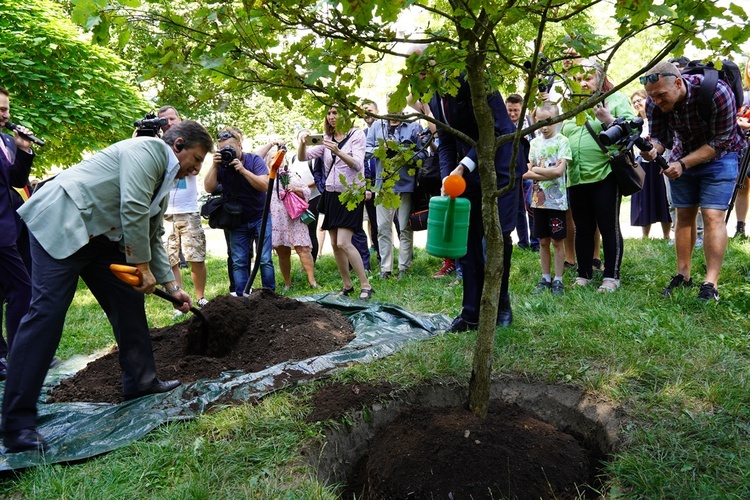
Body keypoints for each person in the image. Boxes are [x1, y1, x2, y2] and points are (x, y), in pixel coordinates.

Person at [1, 120, 213, 453]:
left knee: (127, 300)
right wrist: (140, 267)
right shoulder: (151, 150)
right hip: (63, 220)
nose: (197, 169)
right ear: (179, 144)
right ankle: (17, 425)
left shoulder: (165, 177)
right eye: (197, 159)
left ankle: (142, 381)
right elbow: (132, 207)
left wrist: (172, 288)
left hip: (99, 236)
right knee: (46, 315)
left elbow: (152, 230)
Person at [428, 72, 525, 331]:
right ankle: (471, 313)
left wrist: (462, 166)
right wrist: (450, 173)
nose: (422, 75)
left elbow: (493, 128)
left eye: (427, 68)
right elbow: (446, 139)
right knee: (467, 242)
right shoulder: (435, 96)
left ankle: (501, 304)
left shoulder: (476, 80)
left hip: (500, 167)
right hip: (466, 174)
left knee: (497, 237)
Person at [641, 61, 745, 300]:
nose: (656, 101)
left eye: (661, 95)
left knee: (712, 215)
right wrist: (652, 150)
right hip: (682, 153)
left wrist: (683, 164)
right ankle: (683, 275)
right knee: (684, 214)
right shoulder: (654, 99)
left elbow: (721, 142)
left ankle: (710, 284)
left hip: (721, 157)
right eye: (652, 96)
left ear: (678, 83)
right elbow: (659, 137)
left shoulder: (718, 92)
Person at [560, 60, 635, 293]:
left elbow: (633, 129)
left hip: (606, 173)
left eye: (588, 77)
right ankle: (584, 274)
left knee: (607, 226)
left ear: (601, 78)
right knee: (582, 227)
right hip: (576, 175)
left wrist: (607, 119)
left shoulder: (616, 99)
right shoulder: (570, 107)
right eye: (578, 78)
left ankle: (611, 276)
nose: (582, 82)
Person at [298, 105, 373, 300]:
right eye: (329, 113)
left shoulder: (357, 135)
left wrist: (338, 152)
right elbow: (302, 156)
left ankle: (366, 285)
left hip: (350, 193)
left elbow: (357, 164)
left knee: (343, 242)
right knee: (333, 243)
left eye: (335, 112)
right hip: (330, 194)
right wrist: (302, 141)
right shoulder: (325, 138)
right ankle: (347, 286)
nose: (332, 116)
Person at [204, 127, 276, 295]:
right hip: (236, 221)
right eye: (222, 149)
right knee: (239, 262)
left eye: (229, 148)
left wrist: (243, 171)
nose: (226, 152)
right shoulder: (220, 165)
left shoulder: (254, 160)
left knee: (265, 260)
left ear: (240, 145)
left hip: (260, 217)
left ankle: (270, 297)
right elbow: (209, 188)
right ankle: (242, 297)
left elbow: (264, 186)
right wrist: (214, 166)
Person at [366, 101, 426, 279]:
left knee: (405, 227)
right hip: (383, 186)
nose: (394, 107)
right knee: (383, 227)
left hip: (406, 185)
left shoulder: (414, 126)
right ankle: (386, 268)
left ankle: (403, 267)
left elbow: (423, 153)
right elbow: (367, 150)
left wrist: (408, 156)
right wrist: (380, 150)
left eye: (397, 103)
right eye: (391, 104)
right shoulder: (377, 125)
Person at [158, 107, 209, 314]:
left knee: (195, 255)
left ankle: (200, 297)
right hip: (165, 211)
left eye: (172, 118)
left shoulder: (190, 143)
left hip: (188, 210)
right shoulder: (158, 146)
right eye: (164, 120)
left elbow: (194, 169)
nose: (169, 122)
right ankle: (178, 299)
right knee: (171, 259)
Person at [0, 87, 35, 381]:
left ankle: (7, 356)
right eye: (0, 110)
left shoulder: (5, 141)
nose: (6, 116)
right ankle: (19, 355)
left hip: (12, 223)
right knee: (22, 289)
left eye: (7, 109)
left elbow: (16, 180)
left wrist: (23, 149)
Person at [523, 102, 572, 295]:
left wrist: (536, 170)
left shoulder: (562, 141)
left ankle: (558, 279)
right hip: (538, 200)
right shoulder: (534, 143)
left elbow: (559, 172)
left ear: (557, 120)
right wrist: (547, 172)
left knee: (557, 241)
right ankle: (545, 277)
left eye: (549, 121)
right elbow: (526, 173)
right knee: (543, 241)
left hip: (557, 202)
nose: (544, 126)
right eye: (541, 121)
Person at [629, 90, 671, 240]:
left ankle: (667, 235)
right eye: (634, 102)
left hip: (658, 163)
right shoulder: (634, 123)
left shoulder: (658, 118)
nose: (637, 103)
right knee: (643, 200)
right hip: (641, 165)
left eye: (640, 99)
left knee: (662, 198)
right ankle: (645, 236)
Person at [271, 160, 317, 290]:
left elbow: (306, 192)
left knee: (303, 249)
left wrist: (294, 189)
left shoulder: (291, 175)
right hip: (278, 221)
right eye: (273, 158)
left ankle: (312, 281)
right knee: (282, 252)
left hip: (295, 218)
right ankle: (287, 283)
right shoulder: (266, 177)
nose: (277, 161)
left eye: (280, 158)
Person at [506, 93, 539, 252]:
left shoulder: (530, 123)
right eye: (509, 110)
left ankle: (536, 242)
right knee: (518, 208)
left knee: (532, 206)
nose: (512, 114)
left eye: (515, 111)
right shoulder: (502, 125)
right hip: (513, 172)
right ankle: (523, 242)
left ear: (522, 109)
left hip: (530, 171)